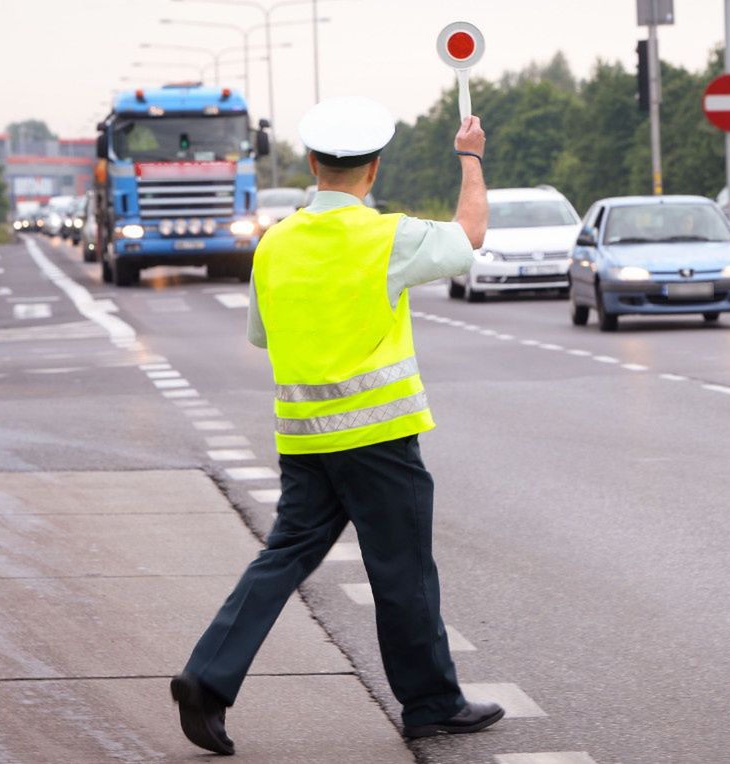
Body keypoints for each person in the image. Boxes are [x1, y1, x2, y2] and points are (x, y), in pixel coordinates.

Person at [170, 95, 502, 755]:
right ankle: (432, 703)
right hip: (377, 440)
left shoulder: (273, 244)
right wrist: (469, 159)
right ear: (372, 171)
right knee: (402, 570)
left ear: (313, 165)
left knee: (283, 556)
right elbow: (469, 236)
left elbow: (262, 337)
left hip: (303, 439)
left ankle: (205, 679)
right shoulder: (388, 235)